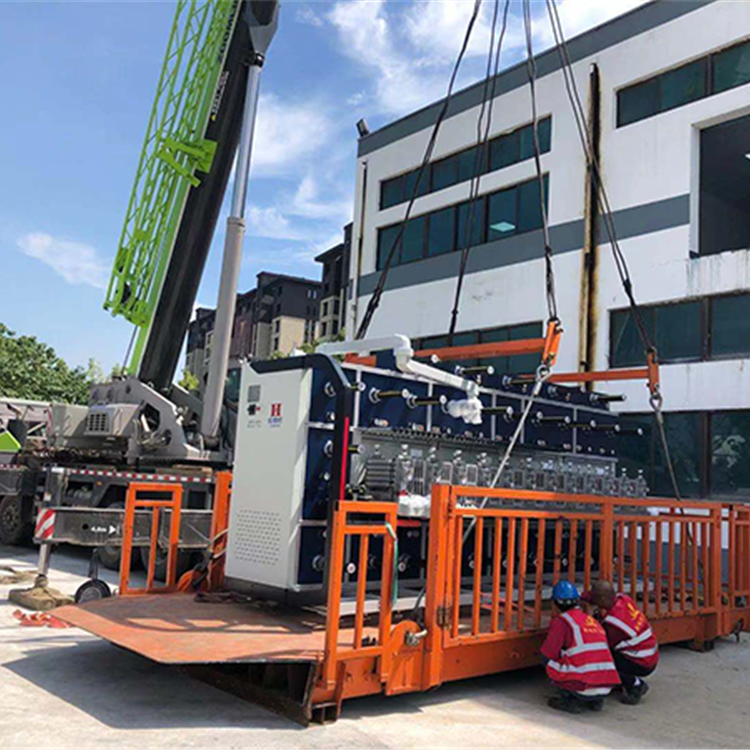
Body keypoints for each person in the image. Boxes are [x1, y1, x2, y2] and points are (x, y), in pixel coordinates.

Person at [540, 580, 621, 714]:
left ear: (555, 604)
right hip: (606, 684)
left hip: (582, 684)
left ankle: (571, 700)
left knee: (547, 660)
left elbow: (549, 652)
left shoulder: (561, 622)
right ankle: (595, 700)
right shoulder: (591, 620)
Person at [582, 580, 659, 705]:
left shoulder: (615, 624)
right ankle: (619, 680)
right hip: (650, 654)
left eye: (594, 597)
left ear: (602, 599)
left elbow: (602, 644)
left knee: (599, 658)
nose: (592, 599)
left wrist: (588, 619)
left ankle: (635, 685)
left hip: (642, 662)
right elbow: (599, 598)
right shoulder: (623, 599)